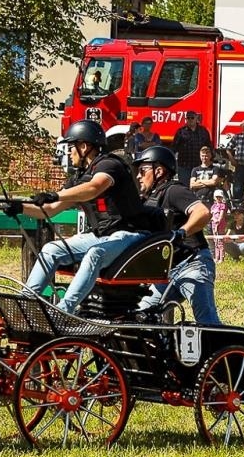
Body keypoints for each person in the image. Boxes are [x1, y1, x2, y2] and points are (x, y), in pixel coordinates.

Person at [10, 119, 159, 316]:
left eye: (71, 147)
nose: (69, 153)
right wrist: (19, 207)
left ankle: (64, 313)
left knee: (95, 254)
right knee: (50, 249)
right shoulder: (79, 177)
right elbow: (50, 208)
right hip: (101, 236)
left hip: (129, 235)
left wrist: (57, 194)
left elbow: (94, 188)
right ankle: (25, 304)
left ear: (84, 146)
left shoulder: (110, 164)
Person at [132, 145, 220, 324]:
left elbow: (203, 212)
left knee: (207, 321)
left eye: (143, 170)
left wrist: (181, 233)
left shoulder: (174, 191)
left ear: (159, 171)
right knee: (139, 315)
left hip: (193, 265)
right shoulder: (150, 199)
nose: (139, 175)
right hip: (168, 272)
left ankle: (228, 351)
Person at [171, 110, 213, 185]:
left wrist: (210, 160)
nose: (190, 120)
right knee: (184, 187)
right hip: (184, 165)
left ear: (196, 118)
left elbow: (209, 146)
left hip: (199, 165)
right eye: (188, 118)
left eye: (192, 118)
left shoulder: (203, 131)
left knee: (199, 187)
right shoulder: (181, 132)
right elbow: (174, 147)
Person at [209, 188, 230, 263]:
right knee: (215, 241)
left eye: (220, 197)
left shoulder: (222, 205)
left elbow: (221, 215)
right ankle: (216, 257)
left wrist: (218, 221)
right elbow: (211, 215)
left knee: (220, 241)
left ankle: (221, 258)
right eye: (217, 197)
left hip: (220, 225)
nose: (218, 198)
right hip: (214, 224)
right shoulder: (213, 206)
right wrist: (213, 219)